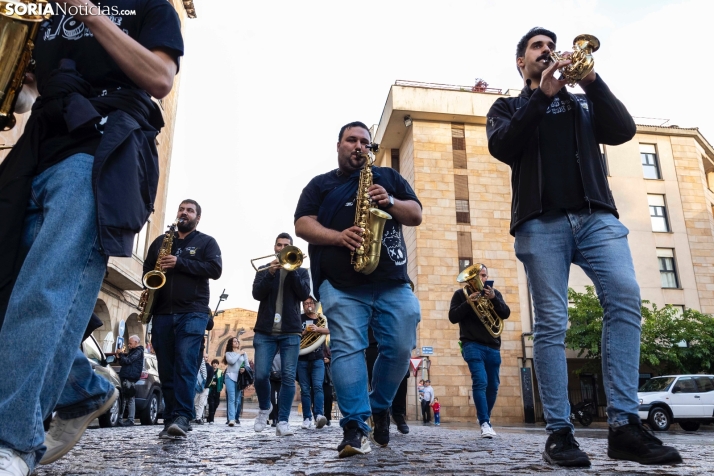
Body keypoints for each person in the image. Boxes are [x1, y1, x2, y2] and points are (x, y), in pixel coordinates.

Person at [486, 27, 682, 467]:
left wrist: (591, 81)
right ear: (522, 62)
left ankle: (625, 427)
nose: (547, 51)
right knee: (553, 323)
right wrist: (542, 96)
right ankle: (559, 433)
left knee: (626, 298)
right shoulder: (508, 106)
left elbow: (624, 129)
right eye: (537, 46)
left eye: (550, 45)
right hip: (541, 223)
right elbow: (503, 145)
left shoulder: (584, 102)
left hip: (596, 217)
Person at [0, 1, 183, 472]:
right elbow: (28, 93)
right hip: (38, 147)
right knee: (8, 292)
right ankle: (82, 386)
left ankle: (12, 442)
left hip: (102, 148)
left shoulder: (152, 8)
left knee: (45, 291)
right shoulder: (41, 14)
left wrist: (90, 14)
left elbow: (160, 78)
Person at [295, 121, 422, 457]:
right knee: (348, 348)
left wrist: (390, 200)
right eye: (351, 140)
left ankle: (379, 405)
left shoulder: (388, 178)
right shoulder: (320, 185)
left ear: (371, 149)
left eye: (365, 142)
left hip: (391, 280)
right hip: (341, 283)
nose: (358, 146)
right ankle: (354, 425)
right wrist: (338, 237)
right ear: (339, 145)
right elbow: (302, 223)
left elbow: (416, 214)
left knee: (400, 345)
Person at [145, 200, 222, 439]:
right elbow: (147, 271)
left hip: (193, 311)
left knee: (186, 364)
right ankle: (170, 419)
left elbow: (215, 269)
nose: (184, 213)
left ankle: (182, 416)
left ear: (197, 218)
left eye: (190, 210)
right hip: (162, 313)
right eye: (181, 209)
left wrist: (180, 263)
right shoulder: (161, 241)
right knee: (167, 369)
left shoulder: (206, 242)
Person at [252, 232, 311, 437]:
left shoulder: (302, 272)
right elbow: (257, 294)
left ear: (292, 249)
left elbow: (304, 294)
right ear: (275, 247)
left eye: (286, 245)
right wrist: (270, 274)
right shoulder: (264, 269)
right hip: (265, 330)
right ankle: (264, 408)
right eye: (279, 245)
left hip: (290, 330)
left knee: (287, 377)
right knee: (260, 375)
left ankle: (283, 421)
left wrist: (292, 269)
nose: (282, 248)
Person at [449, 263, 510, 438]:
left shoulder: (494, 293)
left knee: (493, 387)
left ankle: (484, 418)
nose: (482, 279)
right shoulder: (461, 295)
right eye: (479, 276)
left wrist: (493, 299)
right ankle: (485, 422)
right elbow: (453, 317)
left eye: (484, 276)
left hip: (493, 346)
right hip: (472, 345)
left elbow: (505, 313)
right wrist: (469, 303)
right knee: (480, 381)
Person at [365, 328, 410, 435]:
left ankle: (398, 413)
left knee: (401, 376)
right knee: (375, 379)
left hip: (395, 335)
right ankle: (382, 416)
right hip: (372, 338)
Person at [297, 297, 330, 430]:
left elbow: (330, 330)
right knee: (304, 389)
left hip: (317, 357)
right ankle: (307, 418)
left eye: (310, 303)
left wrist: (317, 329)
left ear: (315, 305)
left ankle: (318, 415)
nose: (308, 305)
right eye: (305, 303)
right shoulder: (299, 318)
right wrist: (304, 332)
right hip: (302, 358)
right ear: (303, 305)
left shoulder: (321, 319)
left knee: (317, 387)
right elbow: (293, 334)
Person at [117, 335, 145, 427]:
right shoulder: (133, 352)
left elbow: (128, 361)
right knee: (126, 398)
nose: (128, 345)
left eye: (130, 343)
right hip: (127, 376)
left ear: (136, 343)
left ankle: (130, 419)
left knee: (129, 398)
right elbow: (123, 362)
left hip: (130, 377)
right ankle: (123, 418)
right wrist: (119, 357)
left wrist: (121, 354)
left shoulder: (138, 351)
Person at [223, 337, 249, 426]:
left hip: (239, 379)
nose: (236, 342)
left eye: (237, 341)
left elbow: (247, 365)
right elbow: (231, 361)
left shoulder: (244, 353)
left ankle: (233, 417)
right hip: (229, 377)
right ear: (231, 343)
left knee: (237, 400)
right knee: (232, 399)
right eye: (234, 341)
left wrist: (244, 369)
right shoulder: (228, 353)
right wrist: (239, 354)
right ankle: (231, 419)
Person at [193, 355, 213, 424]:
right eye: (204, 357)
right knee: (196, 402)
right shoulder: (197, 365)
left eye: (206, 357)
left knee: (201, 403)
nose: (205, 358)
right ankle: (197, 416)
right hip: (197, 387)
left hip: (205, 387)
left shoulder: (210, 368)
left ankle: (198, 418)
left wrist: (206, 385)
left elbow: (210, 378)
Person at [206, 359, 224, 424]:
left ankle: (210, 416)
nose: (215, 364)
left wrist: (220, 387)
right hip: (211, 390)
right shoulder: (210, 370)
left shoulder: (219, 371)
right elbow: (208, 379)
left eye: (216, 363)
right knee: (211, 404)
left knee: (216, 404)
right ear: (212, 364)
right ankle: (211, 419)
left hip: (217, 390)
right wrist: (211, 383)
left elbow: (221, 380)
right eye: (214, 363)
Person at [269, 354, 282, 427]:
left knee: (280, 398)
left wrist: (280, 373)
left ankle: (279, 418)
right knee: (272, 399)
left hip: (281, 378)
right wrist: (272, 372)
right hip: (271, 378)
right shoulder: (270, 350)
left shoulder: (283, 350)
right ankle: (273, 418)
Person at [322, 346, 334, 426]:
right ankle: (317, 415)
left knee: (328, 396)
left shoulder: (327, 348)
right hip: (316, 375)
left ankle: (327, 417)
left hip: (326, 377)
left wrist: (329, 360)